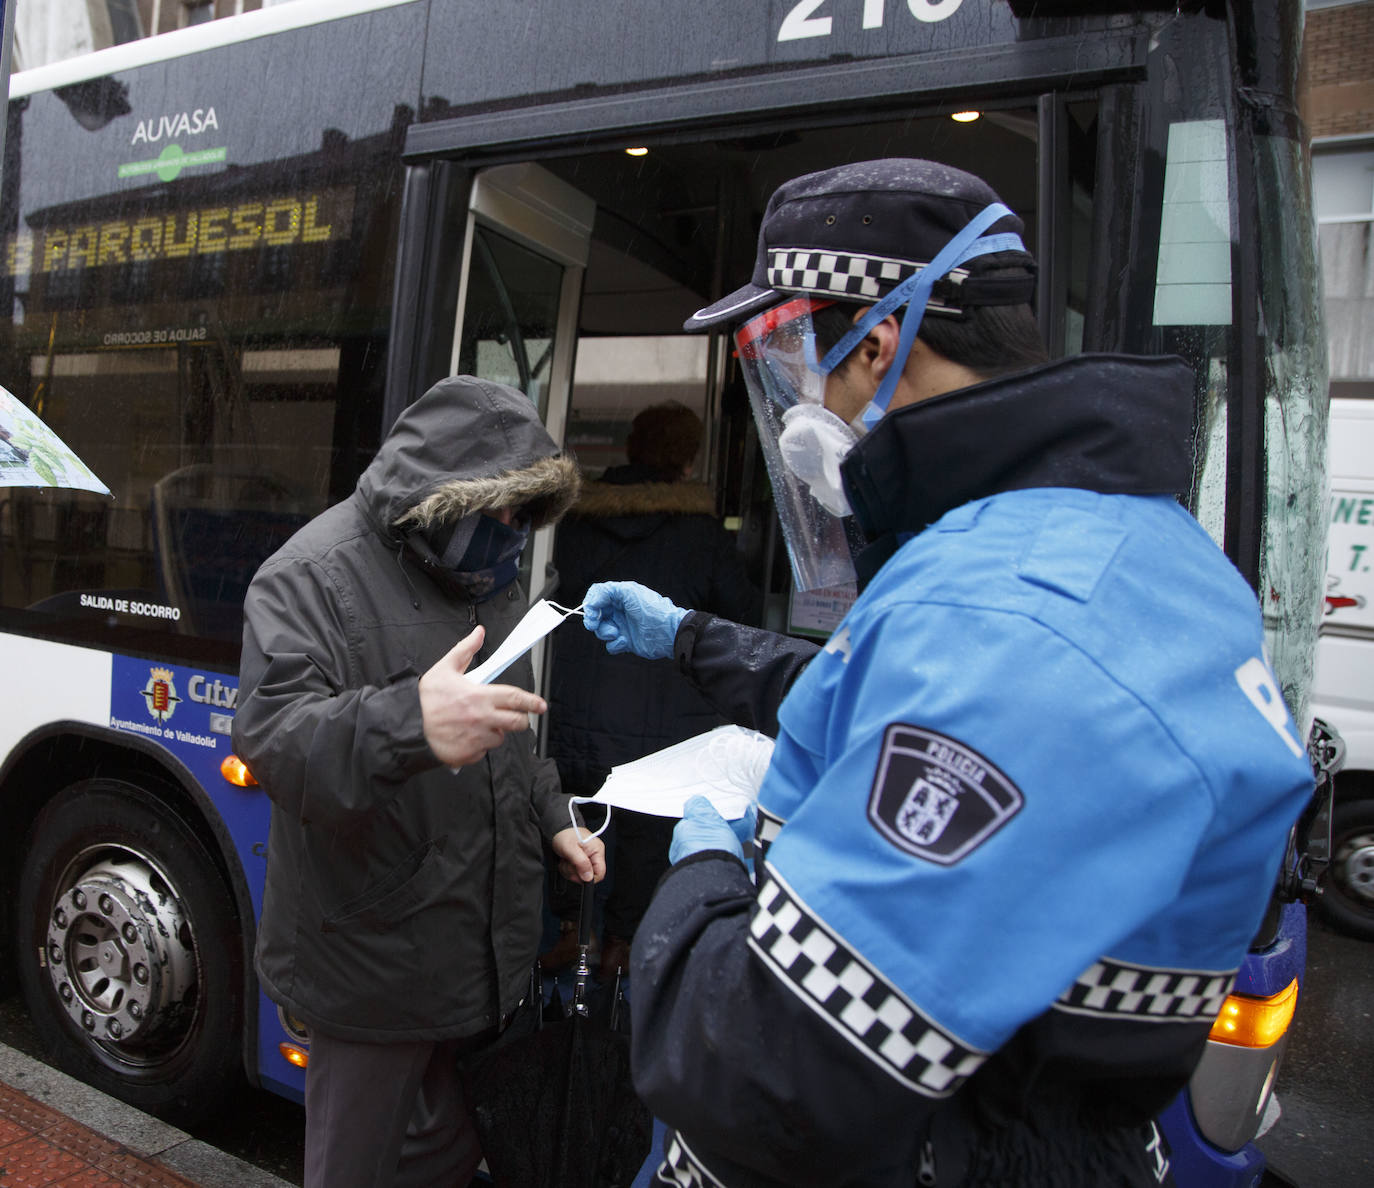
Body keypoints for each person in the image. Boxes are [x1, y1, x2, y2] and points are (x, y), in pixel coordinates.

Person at [580, 160, 1316, 1186]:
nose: (794, 403)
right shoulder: (1125, 559)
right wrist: (692, 637)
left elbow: (766, 1076)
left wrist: (704, 877)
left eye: (796, 364)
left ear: (879, 343)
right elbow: (892, 698)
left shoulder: (1005, 607)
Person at [232, 376, 606, 1188]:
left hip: (485, 959)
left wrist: (553, 818)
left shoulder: (491, 580)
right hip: (372, 964)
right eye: (501, 510)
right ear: (439, 500)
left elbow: (511, 731)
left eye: (526, 514)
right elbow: (275, 740)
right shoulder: (309, 576)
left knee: (452, 1157)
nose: (514, 536)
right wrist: (412, 724)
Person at [542, 401, 760, 981]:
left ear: (632, 448)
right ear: (688, 458)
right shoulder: (702, 534)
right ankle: (618, 945)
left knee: (576, 810)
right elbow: (741, 619)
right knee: (642, 824)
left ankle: (571, 931)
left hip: (578, 702)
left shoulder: (577, 520)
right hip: (665, 710)